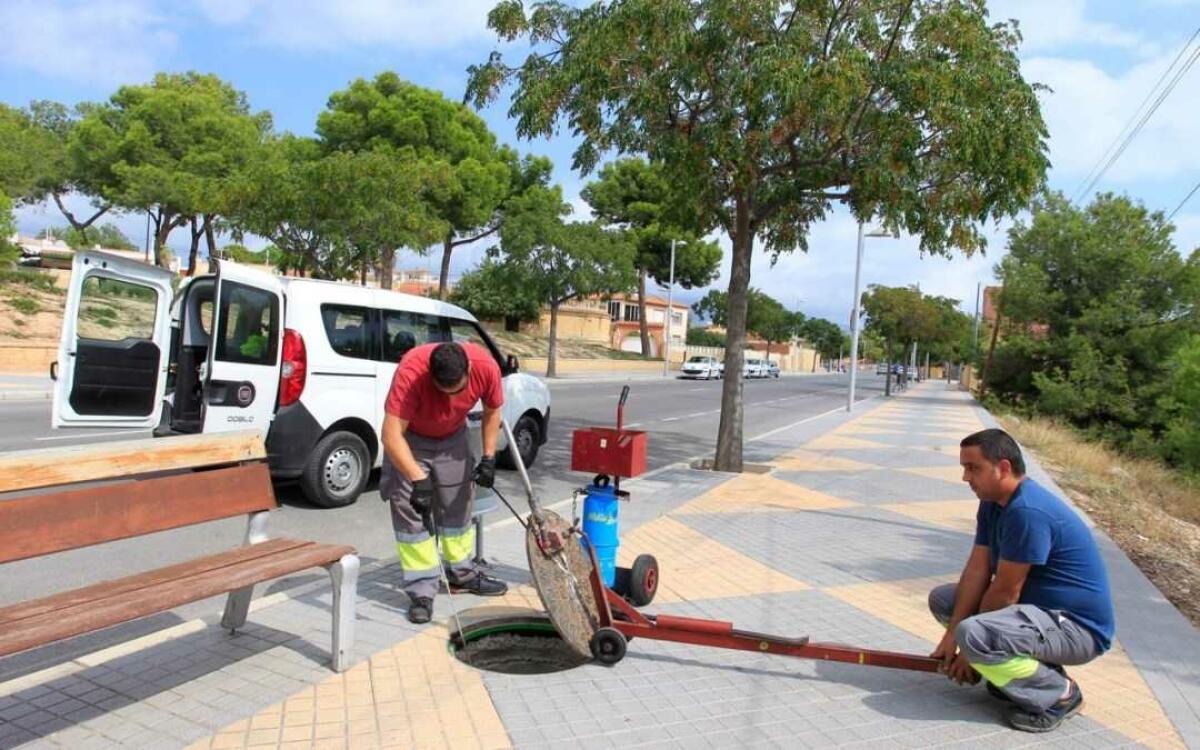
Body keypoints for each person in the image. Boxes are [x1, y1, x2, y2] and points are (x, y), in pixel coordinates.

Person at [929, 428, 1114, 733]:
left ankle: (1060, 694)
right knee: (945, 600)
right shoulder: (993, 502)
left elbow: (1005, 591)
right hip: (1040, 615)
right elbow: (977, 570)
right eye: (964, 468)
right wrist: (951, 636)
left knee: (975, 634)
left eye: (973, 468)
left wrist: (969, 652)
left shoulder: (1027, 511)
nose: (965, 478)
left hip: (1078, 629)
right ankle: (1031, 672)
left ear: (1003, 468)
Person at [380, 341, 509, 624]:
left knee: (458, 506)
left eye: (458, 390)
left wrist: (489, 457)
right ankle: (422, 590)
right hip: (410, 440)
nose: (450, 398)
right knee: (410, 514)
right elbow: (390, 435)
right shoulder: (412, 371)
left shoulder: (486, 367)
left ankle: (461, 573)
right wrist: (418, 479)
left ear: (469, 369)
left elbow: (492, 411)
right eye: (443, 391)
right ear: (431, 375)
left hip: (453, 438)